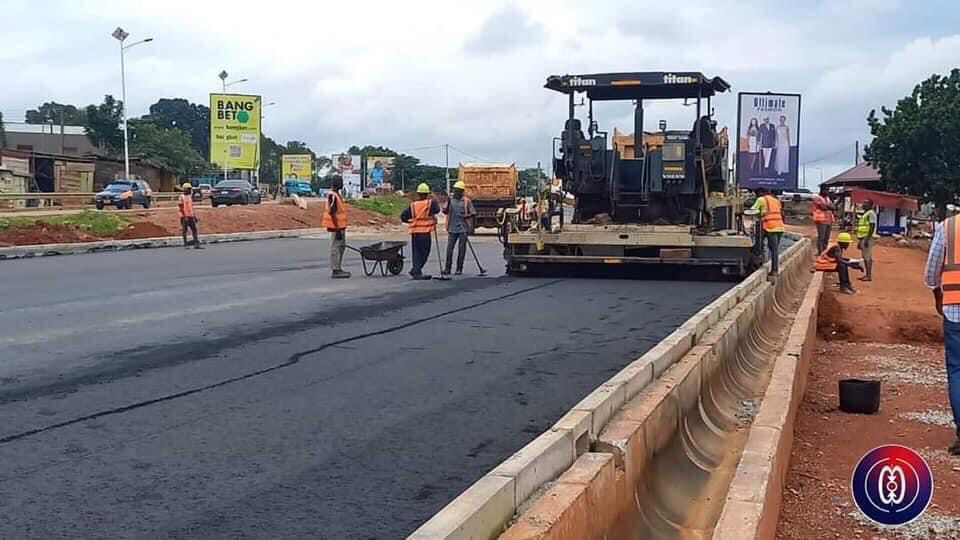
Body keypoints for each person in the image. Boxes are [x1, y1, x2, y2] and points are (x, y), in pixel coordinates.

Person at [924, 214, 960, 454]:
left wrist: (937, 293)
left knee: (957, 369)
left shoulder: (948, 226)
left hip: (955, 308)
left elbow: (931, 271)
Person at [400, 183, 441, 280]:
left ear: (418, 194)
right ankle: (416, 271)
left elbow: (403, 217)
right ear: (427, 194)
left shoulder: (413, 205)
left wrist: (411, 221)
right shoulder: (430, 203)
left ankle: (416, 270)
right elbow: (437, 210)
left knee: (416, 252)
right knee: (425, 252)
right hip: (425, 232)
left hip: (415, 232)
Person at [443, 180, 476, 276]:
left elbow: (473, 213)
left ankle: (459, 268)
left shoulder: (466, 201)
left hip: (463, 228)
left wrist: (466, 216)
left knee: (461, 249)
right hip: (452, 228)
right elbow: (445, 212)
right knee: (449, 249)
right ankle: (447, 268)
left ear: (462, 191)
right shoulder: (450, 201)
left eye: (458, 190)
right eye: (455, 190)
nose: (456, 192)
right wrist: (447, 205)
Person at [751, 187, 784, 278]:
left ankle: (759, 263)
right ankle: (774, 271)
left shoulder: (761, 199)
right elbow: (781, 212)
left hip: (770, 227)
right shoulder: (776, 200)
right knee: (774, 250)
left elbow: (753, 210)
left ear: (760, 193)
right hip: (780, 227)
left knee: (759, 244)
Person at [323, 175, 350, 279]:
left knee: (341, 247)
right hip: (336, 227)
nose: (342, 184)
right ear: (336, 183)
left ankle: (338, 267)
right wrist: (337, 229)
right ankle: (336, 270)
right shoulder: (333, 195)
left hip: (341, 226)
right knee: (336, 248)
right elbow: (332, 213)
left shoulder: (337, 194)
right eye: (340, 182)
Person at [856, 199, 877, 282]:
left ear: (870, 205)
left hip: (867, 237)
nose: (863, 204)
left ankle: (868, 276)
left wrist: (867, 239)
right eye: (863, 202)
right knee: (865, 256)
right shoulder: (866, 213)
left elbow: (872, 227)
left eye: (865, 203)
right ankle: (867, 275)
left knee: (867, 257)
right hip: (863, 237)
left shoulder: (871, 213)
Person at [178, 183, 203, 250]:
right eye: (189, 189)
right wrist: (185, 216)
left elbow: (191, 207)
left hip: (191, 216)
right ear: (185, 189)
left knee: (194, 229)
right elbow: (181, 208)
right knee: (184, 230)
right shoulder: (181, 197)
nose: (190, 190)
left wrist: (194, 216)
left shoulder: (189, 197)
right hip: (184, 216)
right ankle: (185, 244)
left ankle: (196, 244)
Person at [812, 185, 836, 254]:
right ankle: (820, 252)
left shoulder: (828, 198)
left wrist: (829, 207)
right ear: (822, 190)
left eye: (828, 190)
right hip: (821, 220)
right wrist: (829, 207)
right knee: (821, 238)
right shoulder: (817, 198)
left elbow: (833, 207)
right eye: (826, 190)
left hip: (829, 220)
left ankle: (824, 252)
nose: (827, 192)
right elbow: (823, 207)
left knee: (826, 238)